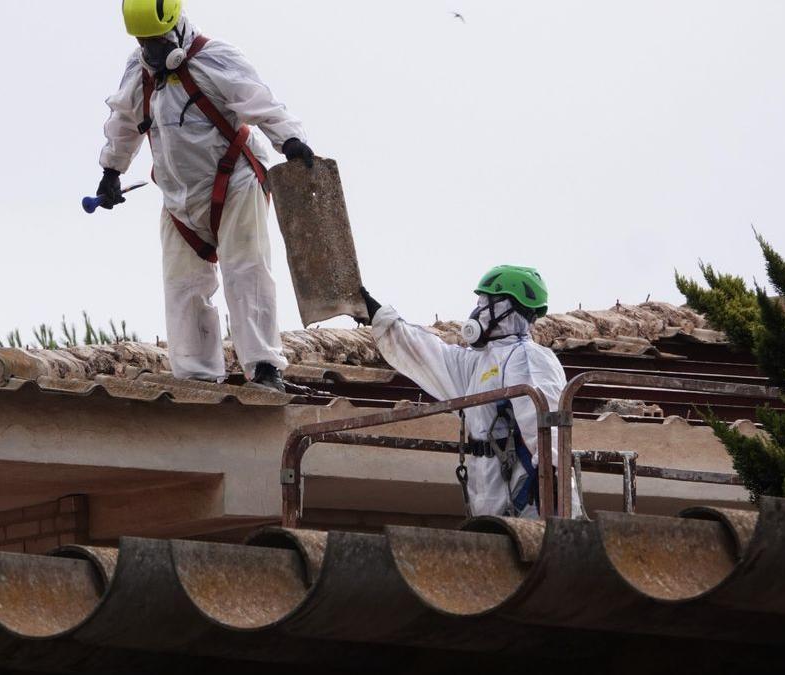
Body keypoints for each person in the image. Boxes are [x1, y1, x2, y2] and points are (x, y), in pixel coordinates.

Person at [96, 0, 315, 392]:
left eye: (157, 41)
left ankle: (264, 367)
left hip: (235, 183)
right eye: (144, 42)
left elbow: (260, 102)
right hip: (179, 199)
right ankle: (197, 375)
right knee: (182, 286)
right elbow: (125, 121)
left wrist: (291, 141)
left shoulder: (215, 59)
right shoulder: (140, 72)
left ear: (175, 28)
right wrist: (112, 171)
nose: (152, 49)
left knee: (246, 271)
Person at [359, 266, 582, 518]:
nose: (479, 310)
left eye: (486, 302)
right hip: (491, 500)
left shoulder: (528, 358)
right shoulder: (479, 362)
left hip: (528, 503)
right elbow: (429, 353)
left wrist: (554, 481)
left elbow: (545, 423)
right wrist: (377, 314)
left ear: (507, 308)